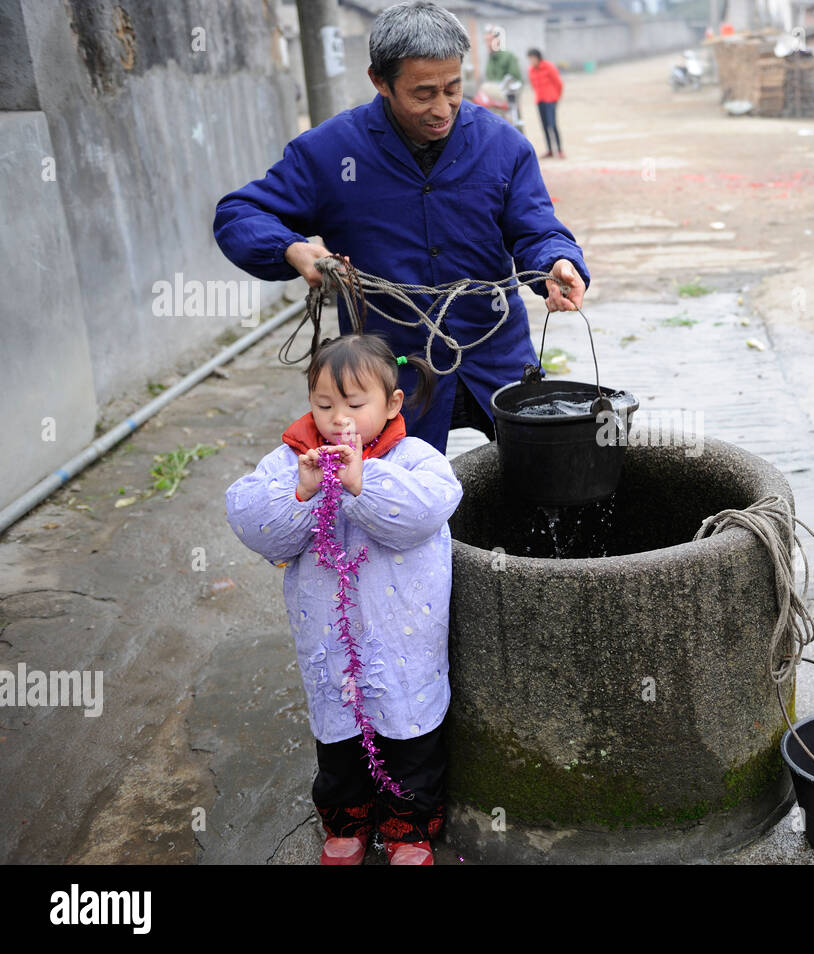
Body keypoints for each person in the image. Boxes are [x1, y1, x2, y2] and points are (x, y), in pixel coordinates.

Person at [213, 0, 589, 455]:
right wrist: (292, 249)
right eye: (423, 92)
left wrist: (557, 261)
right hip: (389, 372)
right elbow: (238, 214)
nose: (443, 107)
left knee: (540, 482)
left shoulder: (501, 144)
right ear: (380, 81)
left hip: (495, 354)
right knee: (394, 508)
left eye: (454, 87)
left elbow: (536, 227)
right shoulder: (331, 153)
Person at [225, 333, 464, 865]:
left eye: (356, 405)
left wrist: (362, 484)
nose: (339, 419)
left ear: (392, 403)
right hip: (328, 638)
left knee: (410, 737)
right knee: (338, 737)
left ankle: (409, 829)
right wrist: (301, 492)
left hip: (403, 637)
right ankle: (345, 820)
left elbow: (426, 512)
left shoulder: (415, 458)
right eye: (324, 404)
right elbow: (253, 522)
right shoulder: (291, 461)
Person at [527, 48, 564, 159]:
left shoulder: (548, 67)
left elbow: (558, 83)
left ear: (538, 57)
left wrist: (556, 97)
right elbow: (533, 85)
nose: (531, 61)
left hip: (551, 100)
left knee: (552, 125)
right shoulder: (531, 70)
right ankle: (549, 150)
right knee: (544, 126)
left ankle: (559, 150)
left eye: (533, 58)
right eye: (530, 59)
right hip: (540, 100)